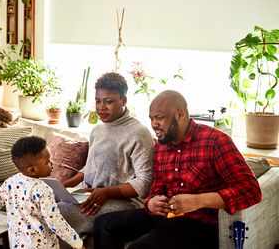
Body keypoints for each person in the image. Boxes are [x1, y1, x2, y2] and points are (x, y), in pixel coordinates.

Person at [93, 90, 262, 249]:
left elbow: (251, 190)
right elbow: (155, 190)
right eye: (151, 118)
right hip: (166, 217)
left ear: (180, 115)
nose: (153, 124)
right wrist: (152, 202)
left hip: (200, 224)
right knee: (104, 225)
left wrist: (198, 201)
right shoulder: (161, 147)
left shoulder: (215, 141)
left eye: (159, 118)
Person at [59, 72, 155, 245]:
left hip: (123, 203)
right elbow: (89, 168)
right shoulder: (97, 130)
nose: (101, 107)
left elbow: (145, 182)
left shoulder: (138, 133)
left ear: (124, 100)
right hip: (91, 196)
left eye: (108, 101)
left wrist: (106, 192)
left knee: (56, 212)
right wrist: (66, 184)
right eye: (97, 100)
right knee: (43, 202)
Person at [0, 136, 84, 249]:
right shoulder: (44, 190)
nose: (52, 164)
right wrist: (77, 243)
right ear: (32, 170)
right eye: (47, 162)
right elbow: (56, 222)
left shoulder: (10, 182)